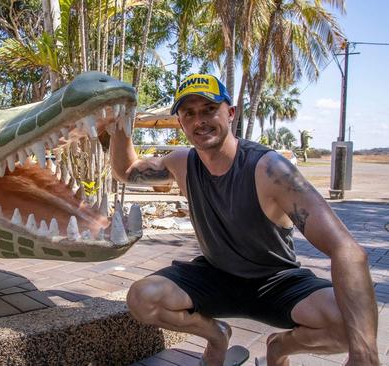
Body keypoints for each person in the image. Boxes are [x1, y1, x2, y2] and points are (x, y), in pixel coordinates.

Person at [110, 74, 379, 366]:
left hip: (276, 281)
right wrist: (120, 121)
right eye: (189, 113)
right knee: (142, 298)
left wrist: (364, 355)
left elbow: (348, 250)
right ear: (181, 122)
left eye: (209, 109)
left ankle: (279, 348)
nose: (200, 120)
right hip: (215, 276)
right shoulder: (181, 162)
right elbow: (128, 171)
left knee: (348, 325)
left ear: (231, 112)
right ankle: (217, 336)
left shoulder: (270, 170)